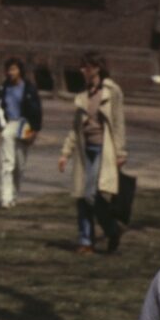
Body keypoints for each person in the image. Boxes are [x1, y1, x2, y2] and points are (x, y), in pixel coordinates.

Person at [58, 51, 127, 254]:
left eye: (86, 67)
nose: (82, 71)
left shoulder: (111, 91)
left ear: (96, 68)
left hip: (103, 150)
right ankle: (86, 240)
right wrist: (65, 153)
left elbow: (118, 122)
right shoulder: (83, 95)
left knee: (92, 195)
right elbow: (75, 128)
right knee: (82, 196)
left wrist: (121, 152)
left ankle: (112, 230)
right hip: (84, 150)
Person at [0, 56, 42, 209]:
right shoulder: (2, 89)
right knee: (7, 163)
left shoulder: (29, 89)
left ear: (20, 71)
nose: (11, 72)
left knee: (19, 164)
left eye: (14, 69)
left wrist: (35, 130)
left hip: (24, 126)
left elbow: (36, 111)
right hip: (8, 126)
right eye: (9, 69)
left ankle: (14, 195)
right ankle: (5, 198)